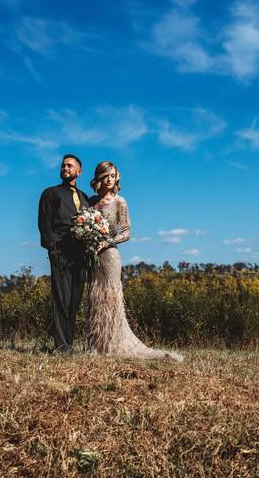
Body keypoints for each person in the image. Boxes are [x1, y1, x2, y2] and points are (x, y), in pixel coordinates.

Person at [85, 161, 184, 362]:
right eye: (106, 176)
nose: (110, 179)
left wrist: (107, 242)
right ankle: (98, 344)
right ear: (99, 178)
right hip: (93, 256)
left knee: (110, 297)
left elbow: (127, 232)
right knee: (95, 296)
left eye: (113, 175)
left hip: (110, 255)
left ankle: (113, 343)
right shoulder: (91, 202)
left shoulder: (120, 202)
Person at [37, 154, 91, 352]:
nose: (65, 168)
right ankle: (61, 347)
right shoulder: (50, 193)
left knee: (75, 299)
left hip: (81, 255)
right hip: (60, 252)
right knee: (61, 298)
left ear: (79, 171)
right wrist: (53, 248)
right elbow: (44, 223)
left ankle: (69, 343)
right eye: (63, 166)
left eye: (69, 166)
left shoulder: (85, 198)